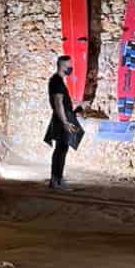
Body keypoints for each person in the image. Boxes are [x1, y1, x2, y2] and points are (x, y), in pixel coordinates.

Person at [45, 55, 83, 190]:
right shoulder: (56, 82)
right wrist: (65, 122)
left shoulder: (58, 81)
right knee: (61, 150)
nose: (70, 68)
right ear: (62, 66)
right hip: (62, 120)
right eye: (69, 66)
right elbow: (58, 103)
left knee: (62, 149)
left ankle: (57, 179)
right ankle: (56, 181)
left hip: (62, 119)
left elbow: (62, 102)